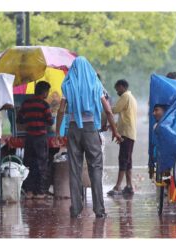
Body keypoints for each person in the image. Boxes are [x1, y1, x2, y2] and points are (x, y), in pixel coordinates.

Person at [55, 56, 122, 219]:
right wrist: (115, 130)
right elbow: (107, 110)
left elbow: (61, 110)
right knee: (96, 168)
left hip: (73, 130)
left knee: (74, 169)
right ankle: (99, 210)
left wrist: (58, 132)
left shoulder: (67, 84)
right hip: (91, 129)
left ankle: (76, 209)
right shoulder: (95, 84)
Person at [17, 81, 54, 199]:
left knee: (28, 164)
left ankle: (29, 191)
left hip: (29, 138)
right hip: (41, 138)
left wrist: (29, 121)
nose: (47, 94)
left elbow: (19, 119)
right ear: (44, 92)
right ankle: (40, 192)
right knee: (42, 164)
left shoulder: (26, 103)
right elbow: (50, 121)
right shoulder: (44, 105)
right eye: (47, 92)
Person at [107, 79, 137, 196]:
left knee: (123, 159)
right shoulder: (132, 97)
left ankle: (117, 186)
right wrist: (113, 126)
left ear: (122, 87)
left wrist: (105, 107)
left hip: (126, 133)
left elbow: (114, 110)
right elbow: (125, 117)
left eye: (117, 89)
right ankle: (129, 186)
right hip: (130, 132)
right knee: (128, 160)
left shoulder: (125, 96)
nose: (117, 92)